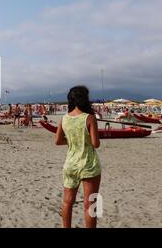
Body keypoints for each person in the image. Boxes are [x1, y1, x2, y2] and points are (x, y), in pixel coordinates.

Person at [55, 86, 101, 228]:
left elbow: (57, 141)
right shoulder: (89, 118)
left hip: (70, 163)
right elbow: (96, 143)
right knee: (90, 204)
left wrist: (72, 141)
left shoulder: (64, 118)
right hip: (88, 164)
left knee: (67, 202)